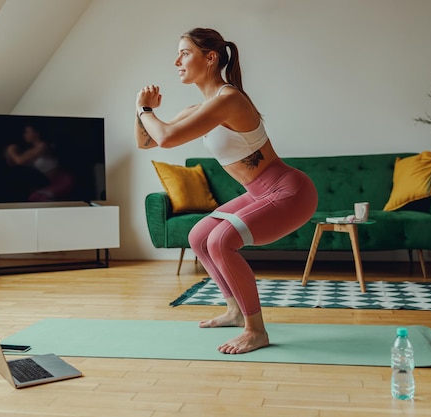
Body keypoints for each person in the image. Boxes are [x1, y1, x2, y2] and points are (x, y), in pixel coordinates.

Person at [135, 28, 318, 354]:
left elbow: (164, 137)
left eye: (184, 53)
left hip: (289, 192)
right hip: (259, 192)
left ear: (210, 58)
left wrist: (146, 110)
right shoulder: (199, 109)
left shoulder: (229, 100)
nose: (176, 61)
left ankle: (255, 330)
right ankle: (235, 311)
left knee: (222, 241)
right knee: (199, 236)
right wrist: (141, 111)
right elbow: (147, 142)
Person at [5, 123, 74, 202]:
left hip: (60, 181)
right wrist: (9, 153)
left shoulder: (43, 146)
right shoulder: (29, 149)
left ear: (36, 133)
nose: (25, 135)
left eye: (27, 132)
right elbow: (14, 165)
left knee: (40, 199)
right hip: (43, 184)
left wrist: (11, 150)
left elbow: (20, 161)